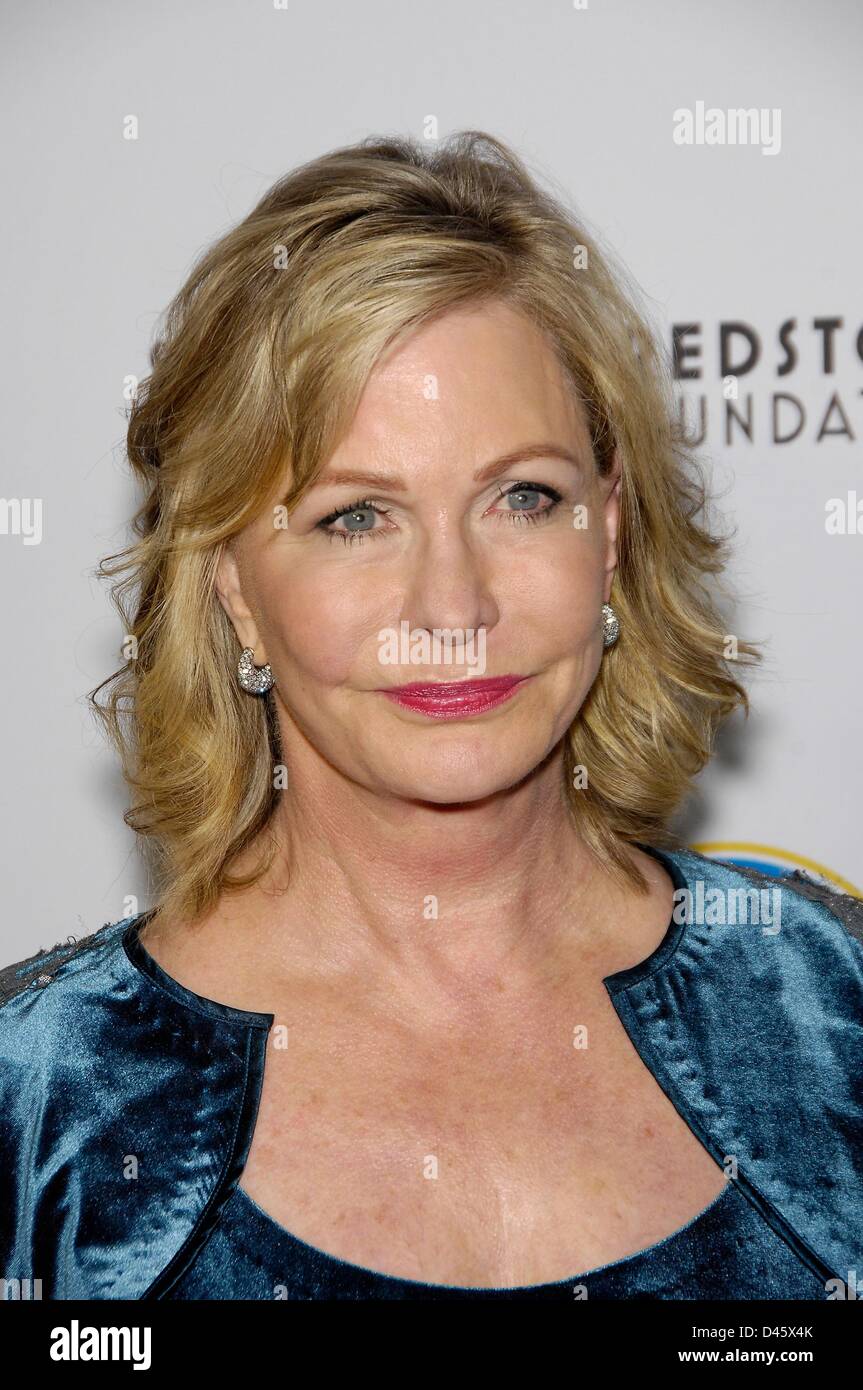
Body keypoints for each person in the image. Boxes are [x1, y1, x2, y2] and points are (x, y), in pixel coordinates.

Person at [1, 132, 861, 1302]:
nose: (451, 608)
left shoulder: (830, 1003)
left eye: (522, 497)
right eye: (355, 517)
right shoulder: (38, 1105)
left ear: (608, 531)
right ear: (234, 584)